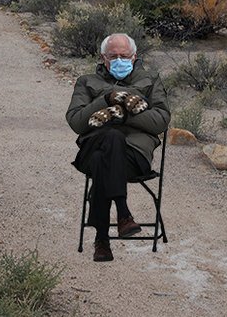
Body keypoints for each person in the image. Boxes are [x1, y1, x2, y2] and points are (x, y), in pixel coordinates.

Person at [66, 33, 170, 262]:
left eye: (124, 55)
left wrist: (122, 117)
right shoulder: (87, 81)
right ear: (104, 58)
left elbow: (161, 121)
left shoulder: (150, 80)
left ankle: (102, 239)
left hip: (133, 156)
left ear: (134, 57)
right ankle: (123, 213)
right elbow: (76, 121)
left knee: (107, 150)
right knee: (109, 141)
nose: (119, 59)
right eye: (113, 56)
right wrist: (106, 99)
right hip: (93, 149)